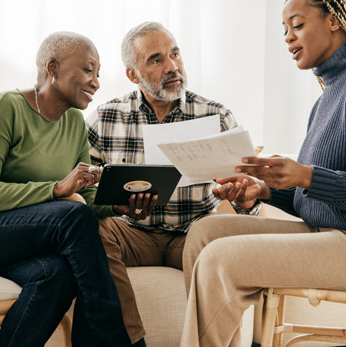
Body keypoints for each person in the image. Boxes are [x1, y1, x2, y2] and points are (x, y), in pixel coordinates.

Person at [180, 0, 346, 346]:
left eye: (297, 25)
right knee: (205, 234)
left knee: (220, 258)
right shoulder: (328, 95)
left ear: (333, 20)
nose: (288, 37)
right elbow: (318, 193)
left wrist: (306, 175)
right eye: (284, 30)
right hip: (336, 234)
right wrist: (264, 191)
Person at [0, 32, 132, 347]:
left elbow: (84, 201)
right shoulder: (5, 107)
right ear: (52, 67)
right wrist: (56, 189)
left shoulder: (74, 123)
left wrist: (117, 205)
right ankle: (114, 341)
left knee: (58, 274)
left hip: (11, 239)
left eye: (98, 74)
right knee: (70, 216)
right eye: (88, 70)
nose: (96, 82)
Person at [86, 21, 260, 345]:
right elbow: (84, 188)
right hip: (132, 231)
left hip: (193, 232)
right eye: (156, 59)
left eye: (175, 54)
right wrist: (115, 203)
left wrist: (242, 198)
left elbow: (249, 193)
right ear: (132, 74)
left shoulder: (216, 115)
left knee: (219, 241)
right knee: (87, 230)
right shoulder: (105, 118)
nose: (172, 66)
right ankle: (128, 341)